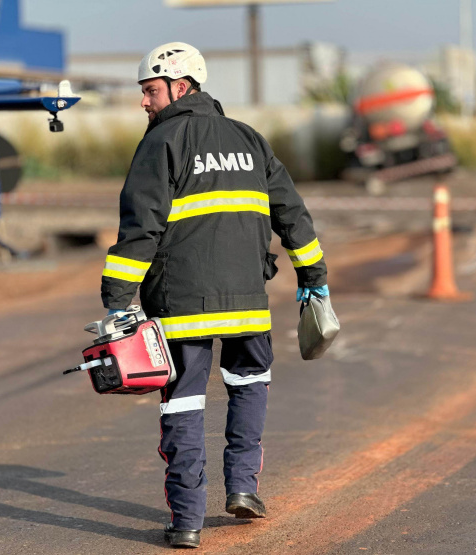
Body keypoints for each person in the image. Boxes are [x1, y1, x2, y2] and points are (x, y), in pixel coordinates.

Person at [100, 42, 329, 549]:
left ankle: (187, 521)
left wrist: (117, 298)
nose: (144, 103)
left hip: (183, 308)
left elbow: (141, 229)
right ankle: (244, 488)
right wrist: (313, 273)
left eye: (150, 91)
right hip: (249, 302)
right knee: (250, 384)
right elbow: (292, 213)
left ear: (180, 87)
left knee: (183, 404)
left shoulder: (161, 143)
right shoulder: (249, 139)